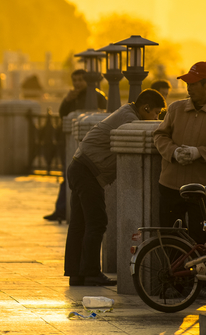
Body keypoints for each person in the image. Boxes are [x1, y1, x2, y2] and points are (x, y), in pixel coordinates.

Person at [64, 89, 165, 286]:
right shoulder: (129, 118)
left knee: (79, 223)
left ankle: (76, 274)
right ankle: (91, 272)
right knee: (96, 222)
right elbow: (150, 132)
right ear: (145, 108)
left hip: (80, 167)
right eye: (156, 113)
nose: (156, 117)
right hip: (87, 171)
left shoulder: (127, 112)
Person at [153, 61, 206, 301]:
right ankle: (172, 283)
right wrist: (173, 151)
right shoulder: (176, 109)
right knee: (168, 236)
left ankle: (202, 285)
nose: (188, 87)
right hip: (169, 183)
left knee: (202, 239)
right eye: (187, 83)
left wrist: (200, 153)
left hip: (200, 188)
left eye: (193, 83)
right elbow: (160, 135)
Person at [44, 69, 108, 221]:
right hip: (68, 142)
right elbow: (62, 115)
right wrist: (66, 100)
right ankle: (61, 210)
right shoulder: (71, 97)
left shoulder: (98, 96)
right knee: (67, 175)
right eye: (75, 80)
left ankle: (70, 211)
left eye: (80, 80)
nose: (77, 83)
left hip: (87, 143)